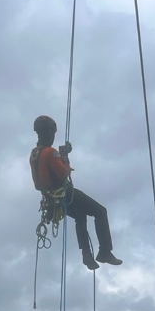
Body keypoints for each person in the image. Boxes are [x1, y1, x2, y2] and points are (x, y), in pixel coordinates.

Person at [29, 115, 122, 271]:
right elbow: (63, 173)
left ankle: (86, 254)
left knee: (80, 216)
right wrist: (64, 157)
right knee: (100, 211)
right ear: (49, 132)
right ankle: (105, 251)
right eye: (52, 133)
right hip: (64, 194)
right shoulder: (50, 153)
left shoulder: (34, 154)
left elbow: (39, 183)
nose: (52, 137)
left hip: (51, 199)